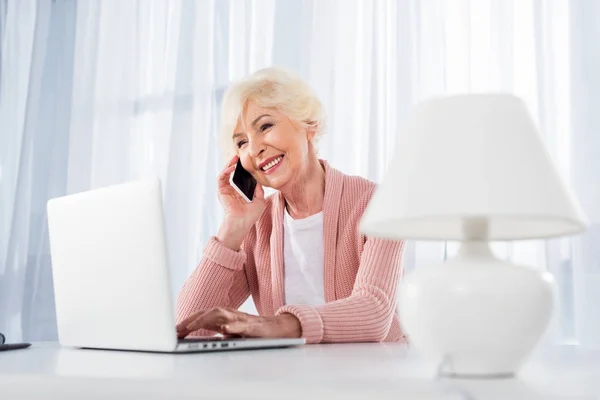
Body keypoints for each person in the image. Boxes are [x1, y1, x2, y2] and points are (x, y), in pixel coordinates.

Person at [176, 67, 405, 344]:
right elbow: (186, 327)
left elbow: (374, 313)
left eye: (265, 126)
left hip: (374, 380)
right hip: (291, 381)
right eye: (241, 142)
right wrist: (233, 228)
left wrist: (280, 325)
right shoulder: (257, 227)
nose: (255, 148)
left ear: (309, 124)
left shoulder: (376, 203)